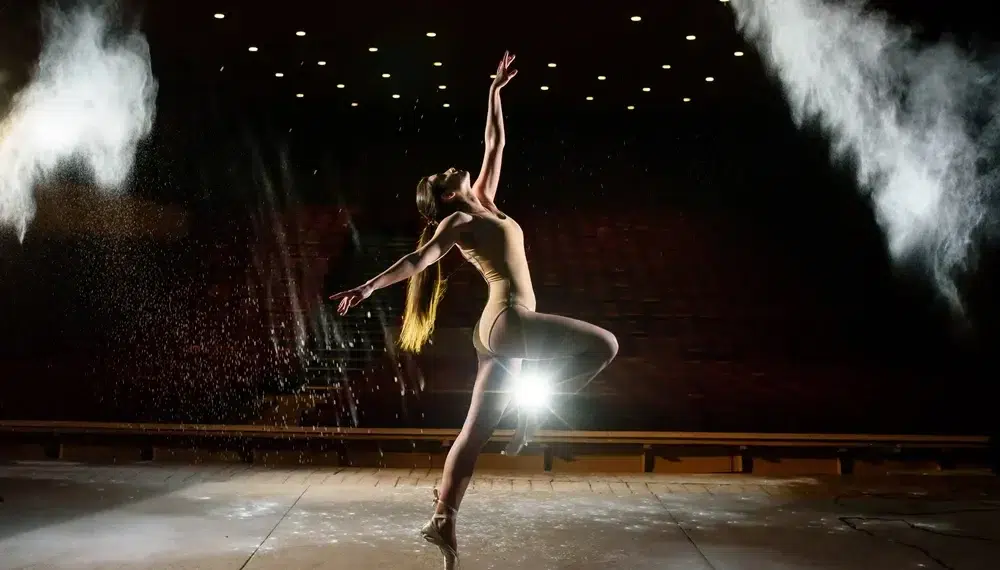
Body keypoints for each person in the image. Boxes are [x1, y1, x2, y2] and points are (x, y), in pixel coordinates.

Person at [328, 51, 618, 569]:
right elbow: (419, 260)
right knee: (605, 346)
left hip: (498, 330)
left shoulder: (484, 195)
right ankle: (530, 419)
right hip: (509, 321)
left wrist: (494, 92)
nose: (450, 168)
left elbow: (495, 141)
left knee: (474, 433)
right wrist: (370, 287)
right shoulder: (456, 223)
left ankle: (442, 520)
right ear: (444, 197)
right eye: (443, 176)